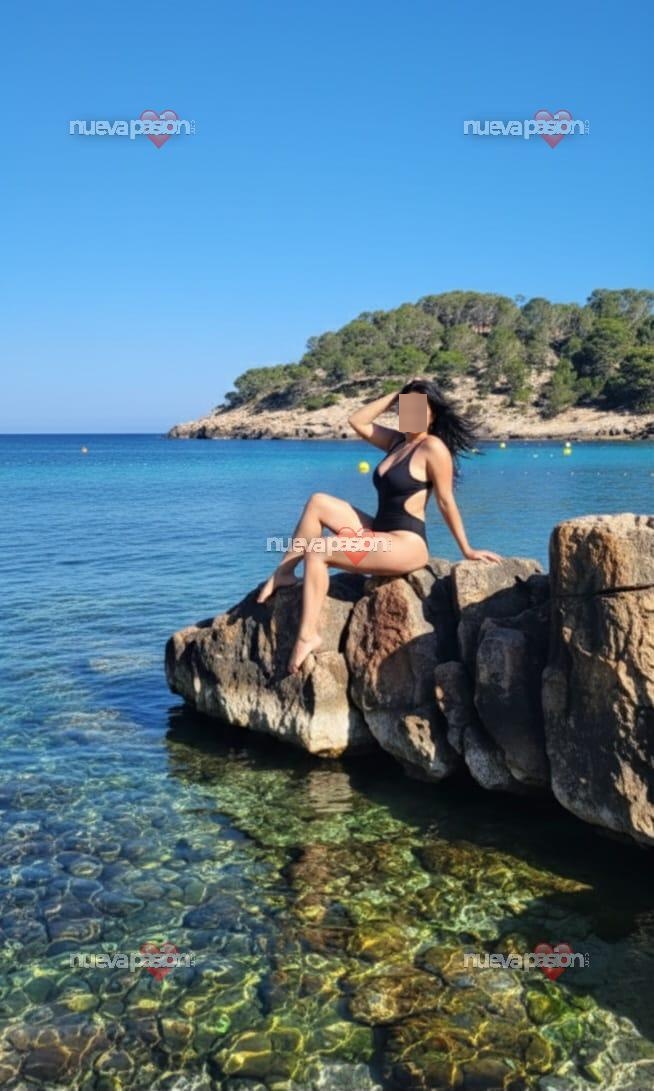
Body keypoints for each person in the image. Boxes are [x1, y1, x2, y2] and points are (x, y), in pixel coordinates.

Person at [256, 378, 501, 673]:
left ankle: (308, 635)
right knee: (318, 502)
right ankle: (284, 572)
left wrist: (467, 549)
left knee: (319, 550)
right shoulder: (397, 442)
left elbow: (446, 502)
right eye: (407, 407)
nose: (411, 413)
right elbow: (357, 420)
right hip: (379, 534)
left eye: (419, 407)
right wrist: (397, 395)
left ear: (432, 414)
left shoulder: (433, 448)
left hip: (406, 544)